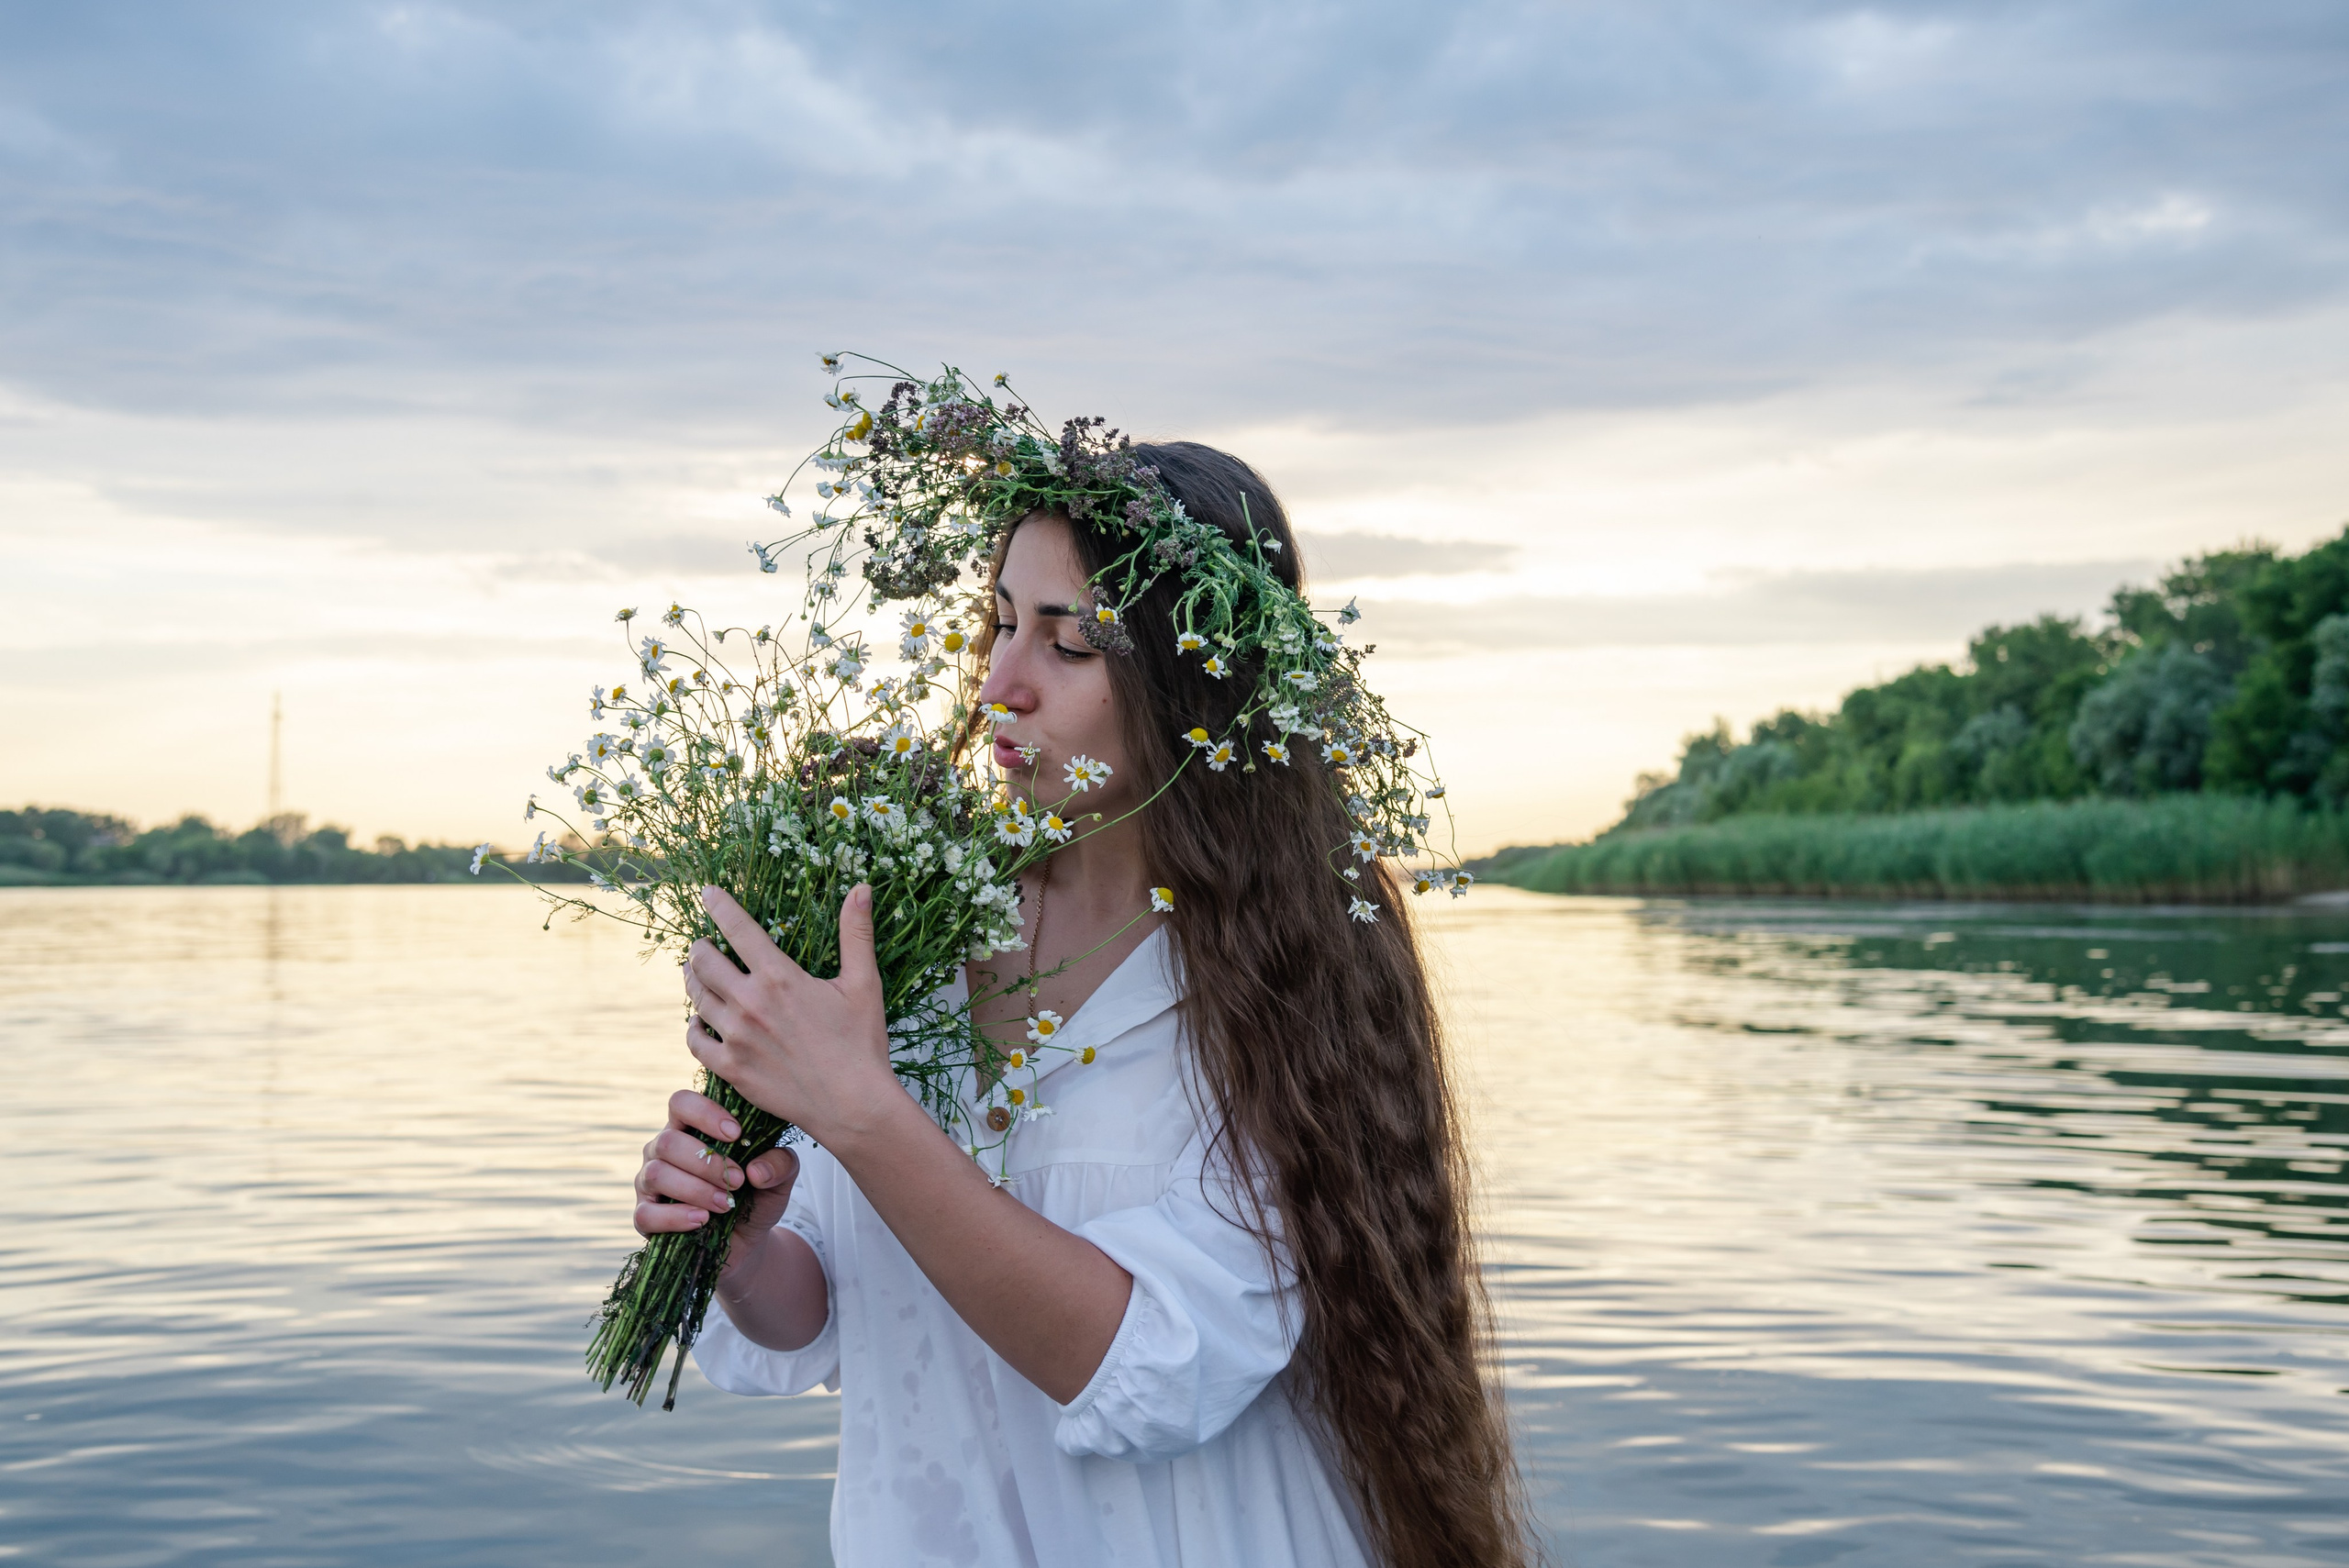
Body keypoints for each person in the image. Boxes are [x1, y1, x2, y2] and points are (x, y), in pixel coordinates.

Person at [633, 441, 1530, 1567]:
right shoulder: (905, 923)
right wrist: (736, 1239)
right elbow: (819, 1302)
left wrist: (862, 1109)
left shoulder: (1291, 963)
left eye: (1069, 641)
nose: (1003, 681)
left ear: (1194, 679)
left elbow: (1144, 1363)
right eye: (1000, 622)